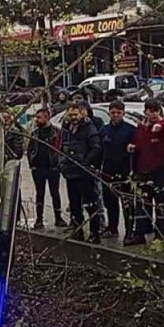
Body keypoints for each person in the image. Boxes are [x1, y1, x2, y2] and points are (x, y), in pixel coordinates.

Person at [127, 99, 164, 244]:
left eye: (156, 111)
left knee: (161, 201)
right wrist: (132, 147)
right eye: (150, 111)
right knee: (142, 202)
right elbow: (139, 145)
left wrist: (159, 124)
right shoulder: (141, 128)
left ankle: (161, 231)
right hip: (143, 170)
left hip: (161, 170)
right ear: (145, 112)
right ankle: (141, 232)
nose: (153, 114)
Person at [58, 103, 103, 242]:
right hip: (70, 173)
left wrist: (86, 163)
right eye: (70, 115)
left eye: (75, 114)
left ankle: (95, 233)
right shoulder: (66, 130)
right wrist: (61, 163)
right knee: (74, 205)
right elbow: (61, 147)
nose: (73, 118)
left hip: (85, 173)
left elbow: (96, 148)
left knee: (91, 204)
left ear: (81, 114)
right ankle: (78, 231)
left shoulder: (89, 129)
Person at [98, 101, 137, 238]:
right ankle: (112, 228)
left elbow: (136, 151)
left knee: (127, 204)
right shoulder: (104, 130)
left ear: (123, 113)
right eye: (113, 113)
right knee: (110, 203)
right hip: (107, 172)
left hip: (125, 172)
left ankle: (129, 230)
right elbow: (99, 151)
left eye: (118, 113)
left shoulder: (131, 130)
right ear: (109, 113)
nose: (115, 115)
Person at [26, 107, 66, 229]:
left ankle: (58, 217)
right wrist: (32, 164)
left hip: (52, 167)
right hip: (38, 168)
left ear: (47, 117)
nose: (36, 120)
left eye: (39, 117)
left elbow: (61, 149)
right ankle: (39, 219)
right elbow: (30, 150)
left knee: (55, 193)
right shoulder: (35, 133)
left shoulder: (57, 132)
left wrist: (58, 164)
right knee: (40, 193)